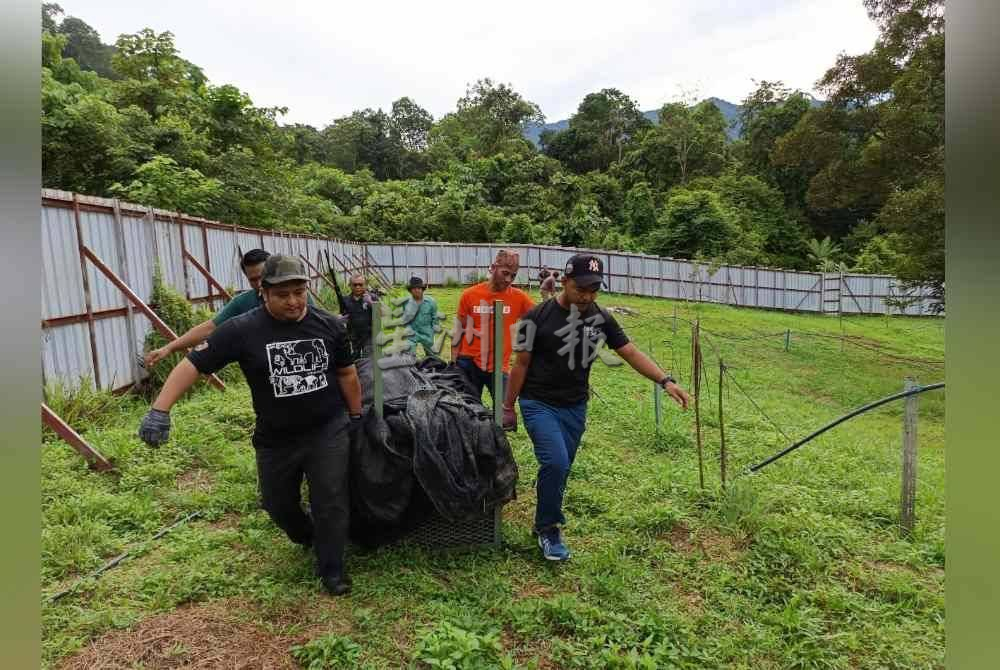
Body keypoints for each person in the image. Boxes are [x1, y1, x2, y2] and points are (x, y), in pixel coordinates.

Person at [137, 254, 362, 596]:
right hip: (276, 438)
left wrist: (356, 416)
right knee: (277, 503)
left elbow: (347, 374)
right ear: (264, 293)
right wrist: (160, 409)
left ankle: (332, 569)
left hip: (326, 430)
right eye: (282, 294)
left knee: (330, 500)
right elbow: (193, 365)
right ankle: (308, 535)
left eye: (299, 292)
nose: (293, 301)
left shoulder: (329, 325)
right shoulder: (242, 330)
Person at [502, 253, 692, 562]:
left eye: (594, 290)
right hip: (538, 403)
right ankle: (549, 529)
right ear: (564, 282)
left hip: (575, 405)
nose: (587, 296)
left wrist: (665, 380)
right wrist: (508, 406)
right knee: (557, 463)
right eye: (581, 289)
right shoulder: (536, 318)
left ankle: (545, 503)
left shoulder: (600, 318)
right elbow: (520, 364)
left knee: (559, 469)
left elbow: (629, 352)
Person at [143, 249, 312, 368]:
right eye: (253, 279)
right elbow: (209, 328)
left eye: (263, 277)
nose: (260, 284)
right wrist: (169, 347)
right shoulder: (242, 303)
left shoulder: (297, 298)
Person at [451, 250, 535, 406]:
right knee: (468, 409)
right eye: (505, 273)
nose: (509, 279)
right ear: (493, 268)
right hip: (468, 362)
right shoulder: (469, 295)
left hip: (499, 365)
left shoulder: (519, 298)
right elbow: (459, 330)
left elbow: (540, 317)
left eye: (513, 275)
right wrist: (453, 364)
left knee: (503, 409)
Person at [337, 274, 378, 358]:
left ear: (365, 285)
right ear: (350, 286)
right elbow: (343, 315)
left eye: (360, 284)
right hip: (353, 336)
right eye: (355, 285)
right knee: (355, 359)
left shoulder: (372, 298)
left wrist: (371, 303)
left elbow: (384, 313)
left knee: (368, 360)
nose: (358, 287)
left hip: (369, 335)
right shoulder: (345, 300)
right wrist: (339, 319)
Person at [399, 276, 439, 356]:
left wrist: (433, 331)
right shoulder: (406, 303)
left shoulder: (431, 302)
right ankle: (411, 366)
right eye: (414, 288)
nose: (416, 290)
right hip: (412, 332)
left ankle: (431, 366)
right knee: (408, 355)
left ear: (422, 289)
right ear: (410, 290)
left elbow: (435, 318)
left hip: (427, 332)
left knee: (433, 356)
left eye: (419, 288)